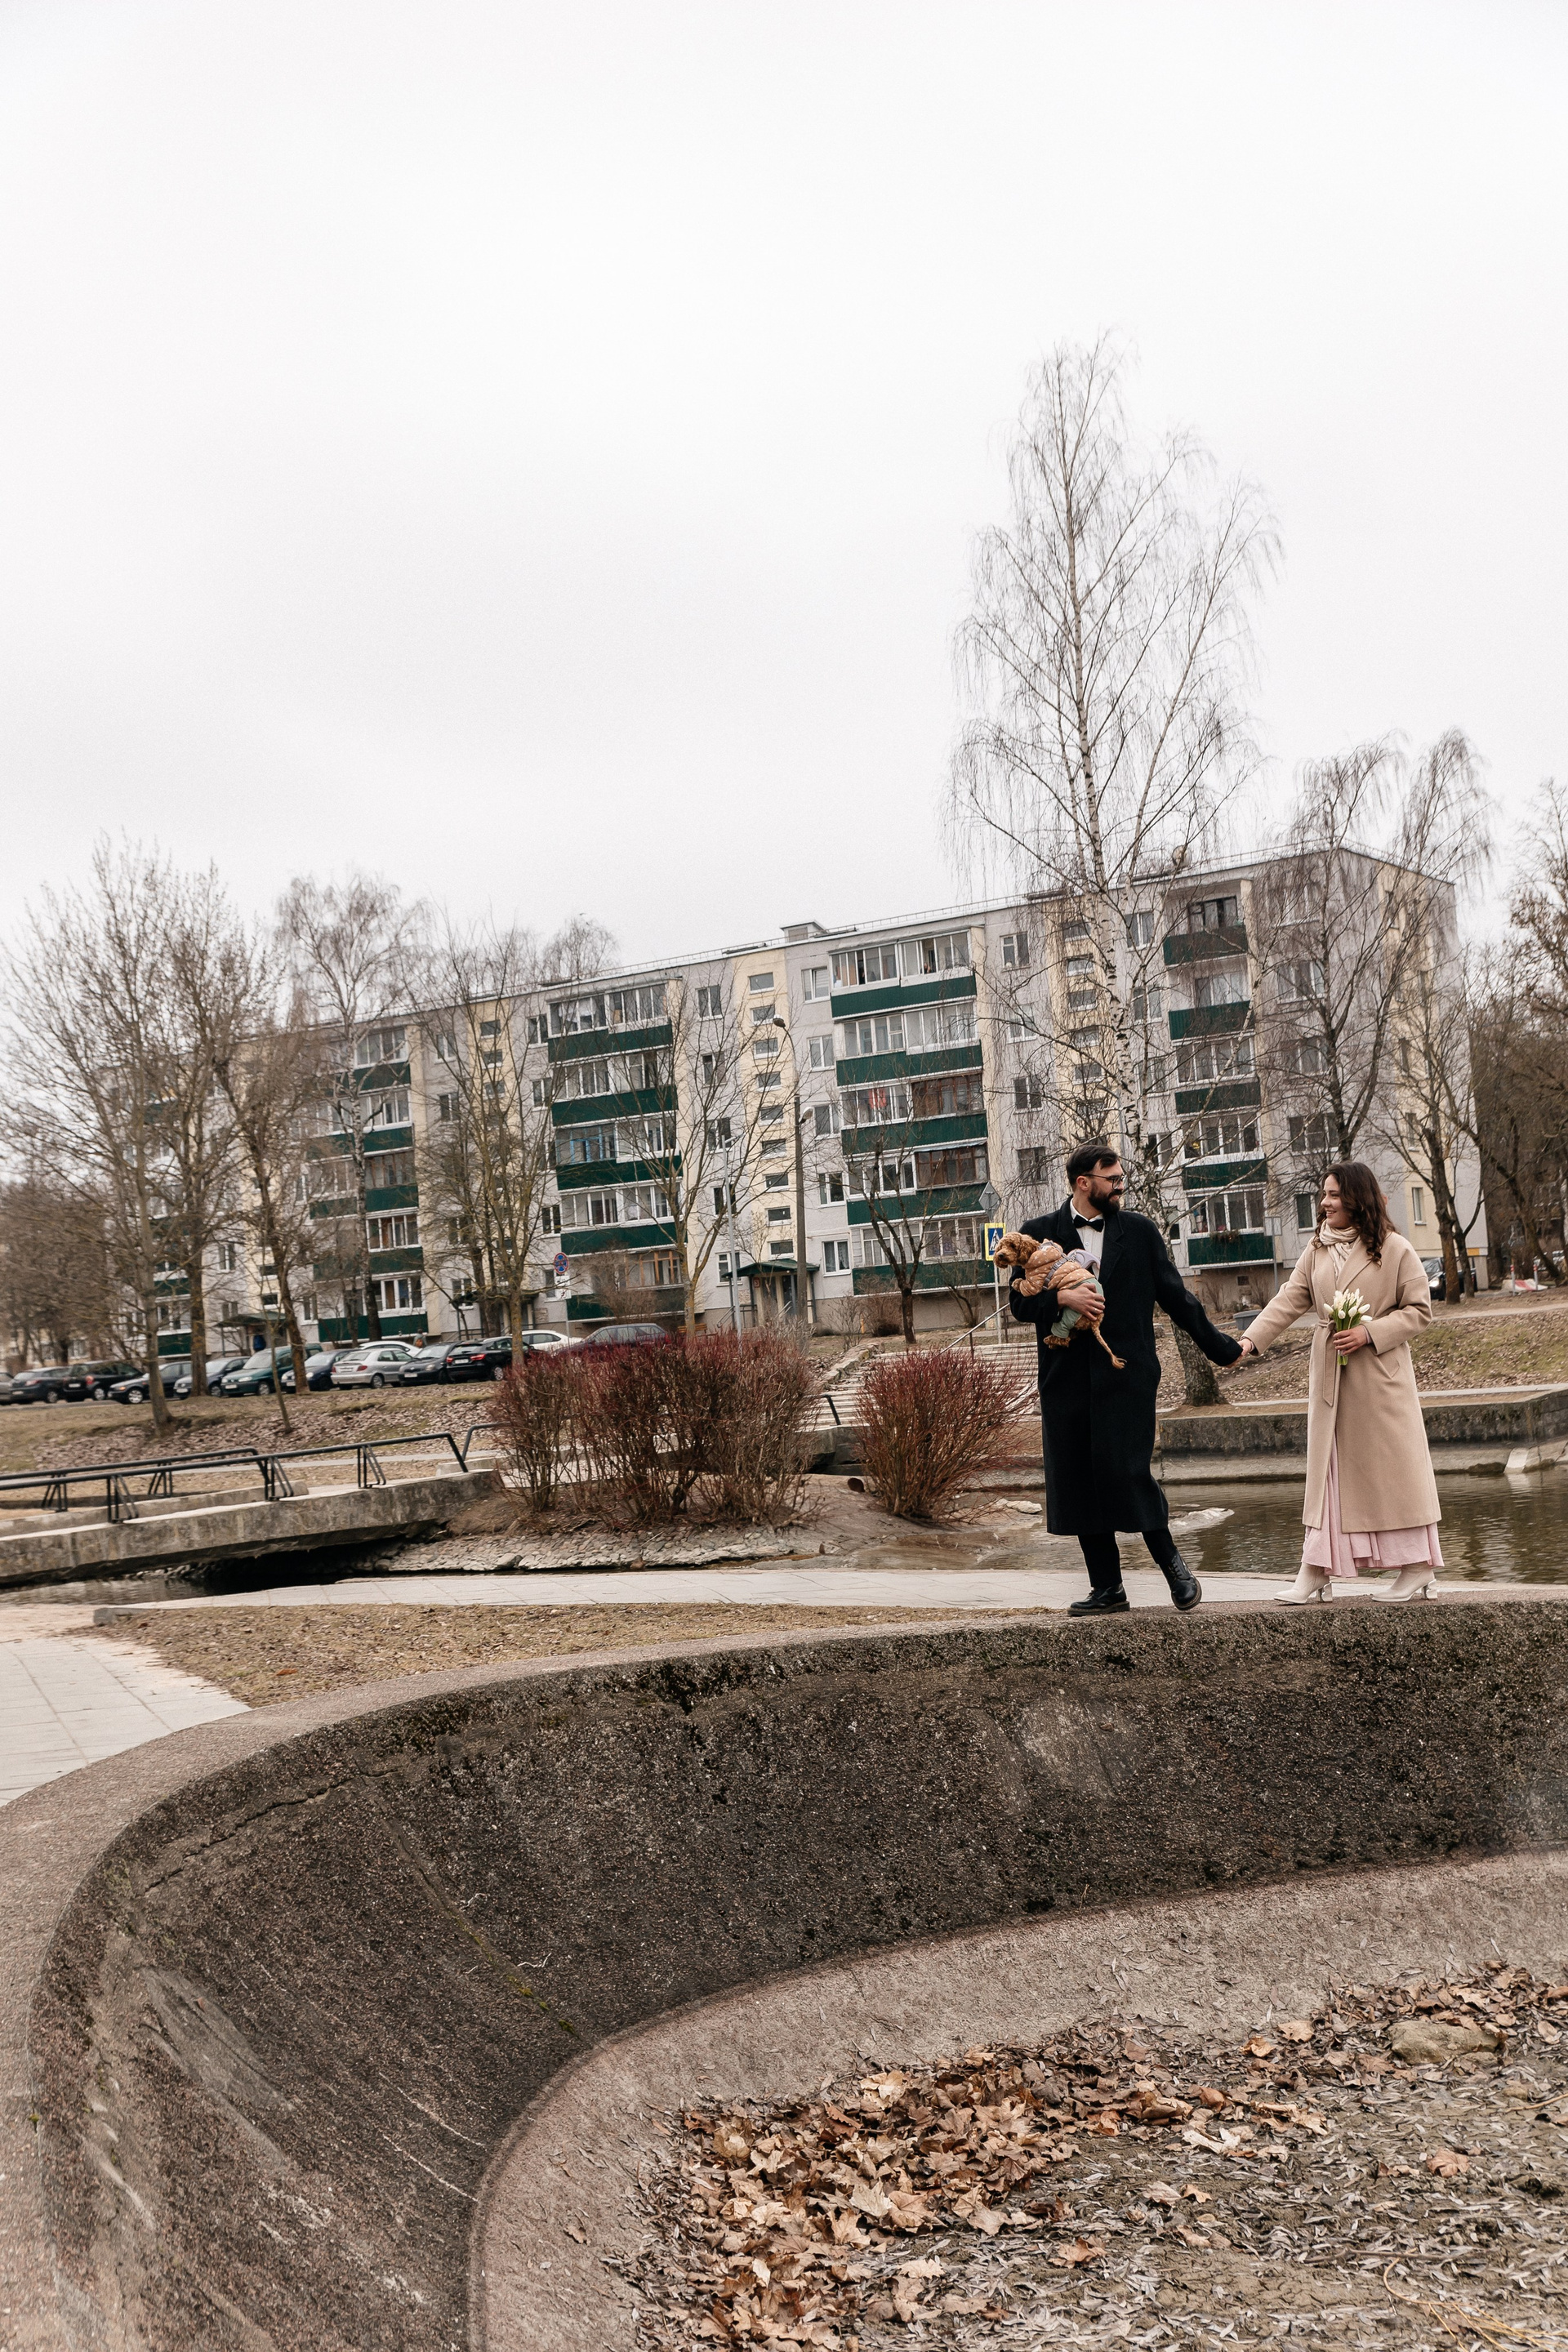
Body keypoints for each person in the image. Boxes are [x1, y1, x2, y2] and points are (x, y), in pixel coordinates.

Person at [1009, 1140, 1244, 1616]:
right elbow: (1018, 1304)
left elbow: (1177, 1297)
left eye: (1121, 1178)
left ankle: (1175, 1570)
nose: (1120, 1186)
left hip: (1127, 1375)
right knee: (1079, 1479)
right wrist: (1061, 1300)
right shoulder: (1037, 1234)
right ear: (1083, 1183)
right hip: (1065, 1379)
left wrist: (1222, 1348)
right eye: (1112, 1179)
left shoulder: (1138, 1231)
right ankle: (1108, 1588)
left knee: (1128, 1472)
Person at [1235, 1161, 1441, 1603]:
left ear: (1356, 1199)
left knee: (1395, 1473)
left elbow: (1420, 1311)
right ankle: (1315, 1569)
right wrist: (1250, 1341)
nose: (1324, 1203)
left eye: (1332, 1195)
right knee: (1327, 1472)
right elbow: (1289, 1299)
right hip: (1332, 1379)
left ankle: (1417, 1566)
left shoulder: (1396, 1248)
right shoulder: (1317, 1249)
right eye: (1323, 1194)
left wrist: (1370, 1332)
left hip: (1380, 1380)